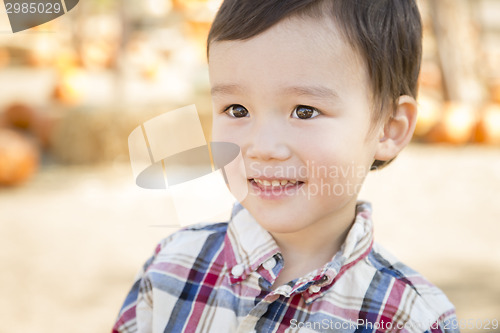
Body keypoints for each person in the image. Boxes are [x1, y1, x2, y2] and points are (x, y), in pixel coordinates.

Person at [113, 0, 459, 332]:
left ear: (389, 127)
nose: (263, 148)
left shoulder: (409, 318)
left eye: (304, 111)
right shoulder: (171, 269)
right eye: (237, 110)